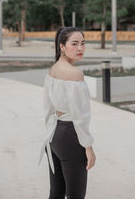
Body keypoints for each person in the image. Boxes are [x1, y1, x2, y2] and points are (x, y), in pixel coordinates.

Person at [38, 26, 96, 199]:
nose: (80, 48)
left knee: (56, 192)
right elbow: (81, 117)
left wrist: (51, 133)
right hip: (71, 136)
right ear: (62, 47)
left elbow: (47, 109)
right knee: (75, 194)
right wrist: (89, 147)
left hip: (54, 135)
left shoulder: (53, 70)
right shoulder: (75, 74)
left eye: (83, 43)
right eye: (75, 44)